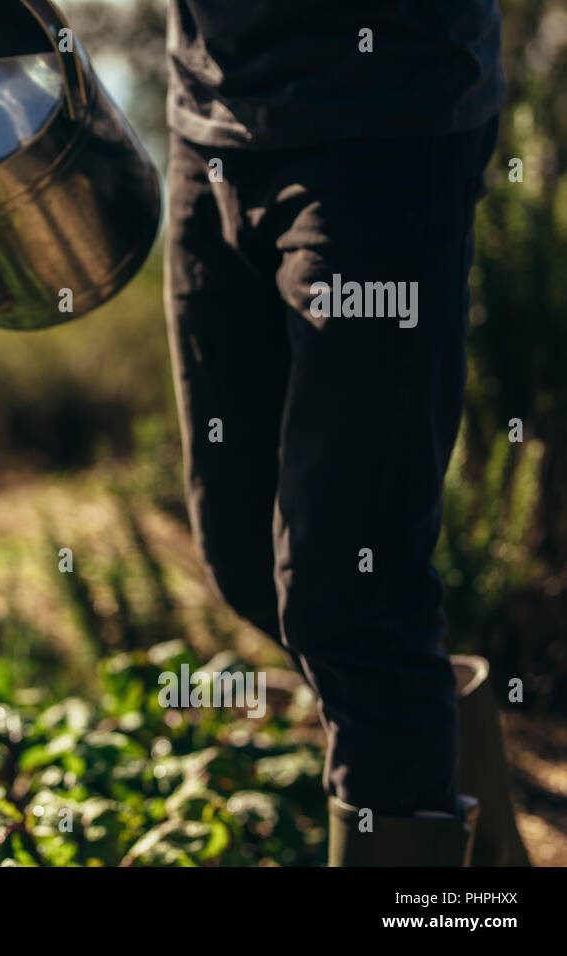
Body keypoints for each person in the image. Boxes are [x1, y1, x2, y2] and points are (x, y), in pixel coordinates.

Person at [161, 1, 529, 865]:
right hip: (213, 119)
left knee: (352, 588)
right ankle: (484, 861)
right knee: (248, 555)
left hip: (385, 117)